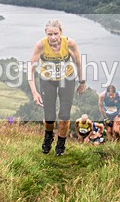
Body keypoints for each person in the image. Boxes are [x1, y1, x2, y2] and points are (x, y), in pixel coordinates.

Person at [27, 19, 86, 156]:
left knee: (64, 115)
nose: (53, 37)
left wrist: (82, 82)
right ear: (45, 34)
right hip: (47, 80)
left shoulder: (69, 43)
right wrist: (34, 92)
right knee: (49, 117)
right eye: (50, 34)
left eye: (55, 33)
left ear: (61, 32)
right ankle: (48, 137)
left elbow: (78, 63)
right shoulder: (40, 45)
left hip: (67, 79)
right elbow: (31, 70)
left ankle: (61, 145)